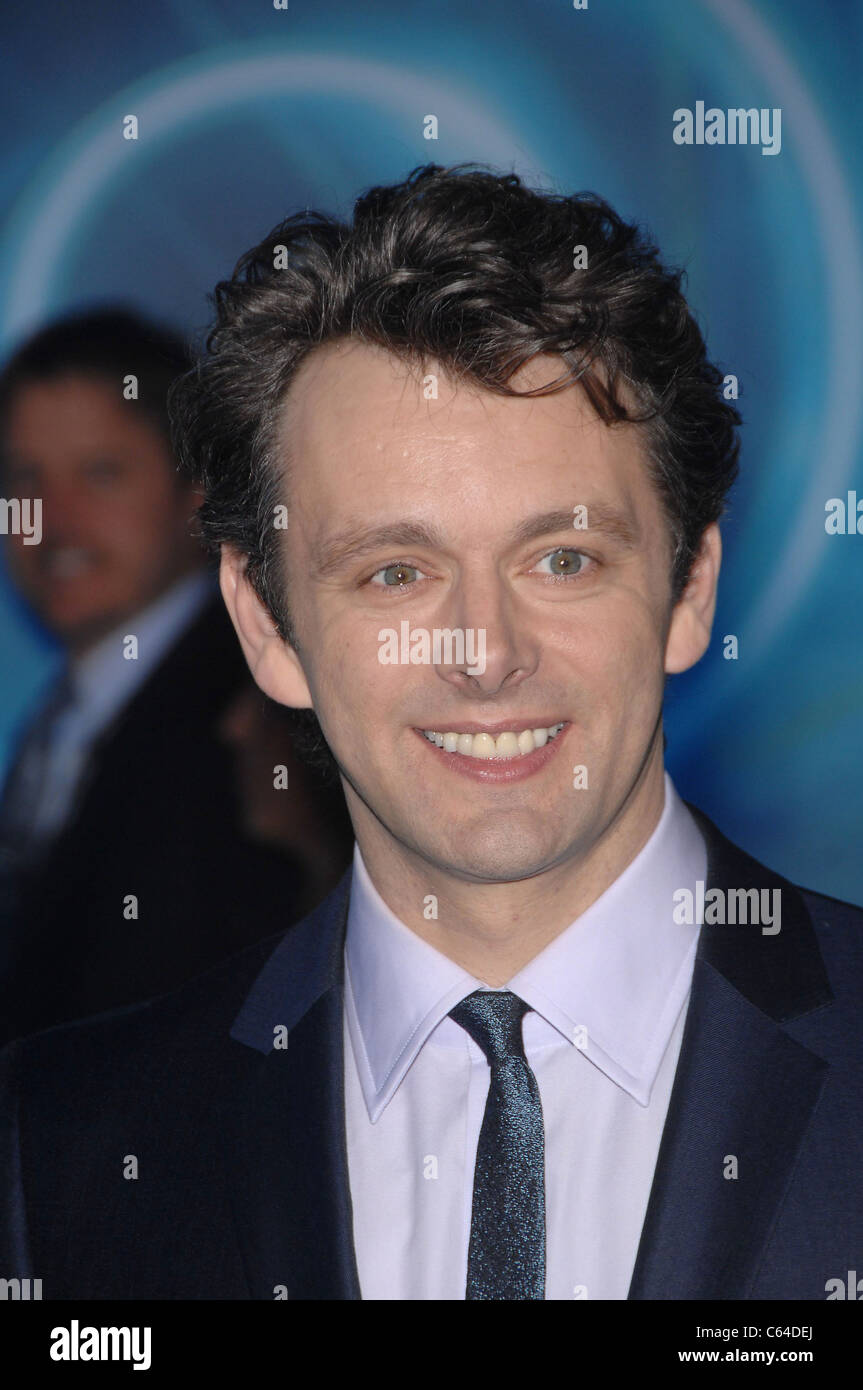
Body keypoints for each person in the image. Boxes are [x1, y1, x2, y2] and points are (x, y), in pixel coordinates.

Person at [1, 165, 860, 1300]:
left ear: (689, 588)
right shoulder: (63, 1150)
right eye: (394, 572)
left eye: (561, 558)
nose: (483, 650)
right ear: (266, 625)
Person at [0, 309, 308, 1043]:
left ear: (195, 490)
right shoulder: (58, 722)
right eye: (23, 478)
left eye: (101, 474)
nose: (54, 521)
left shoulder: (267, 712)